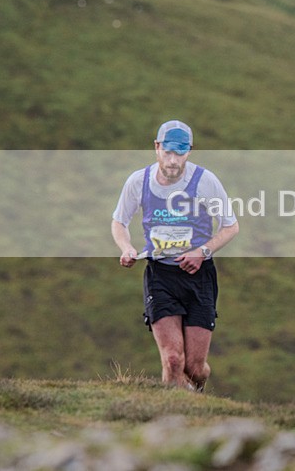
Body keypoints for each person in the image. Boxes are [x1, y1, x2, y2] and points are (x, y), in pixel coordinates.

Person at [111, 120, 239, 391]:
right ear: (157, 147)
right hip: (161, 275)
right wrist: (127, 248)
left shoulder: (205, 181)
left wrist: (202, 252)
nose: (172, 160)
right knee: (172, 359)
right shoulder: (139, 181)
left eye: (179, 154)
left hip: (199, 277)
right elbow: (119, 221)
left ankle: (195, 393)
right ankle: (171, 412)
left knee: (194, 368)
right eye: (167, 152)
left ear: (189, 151)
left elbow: (230, 226)